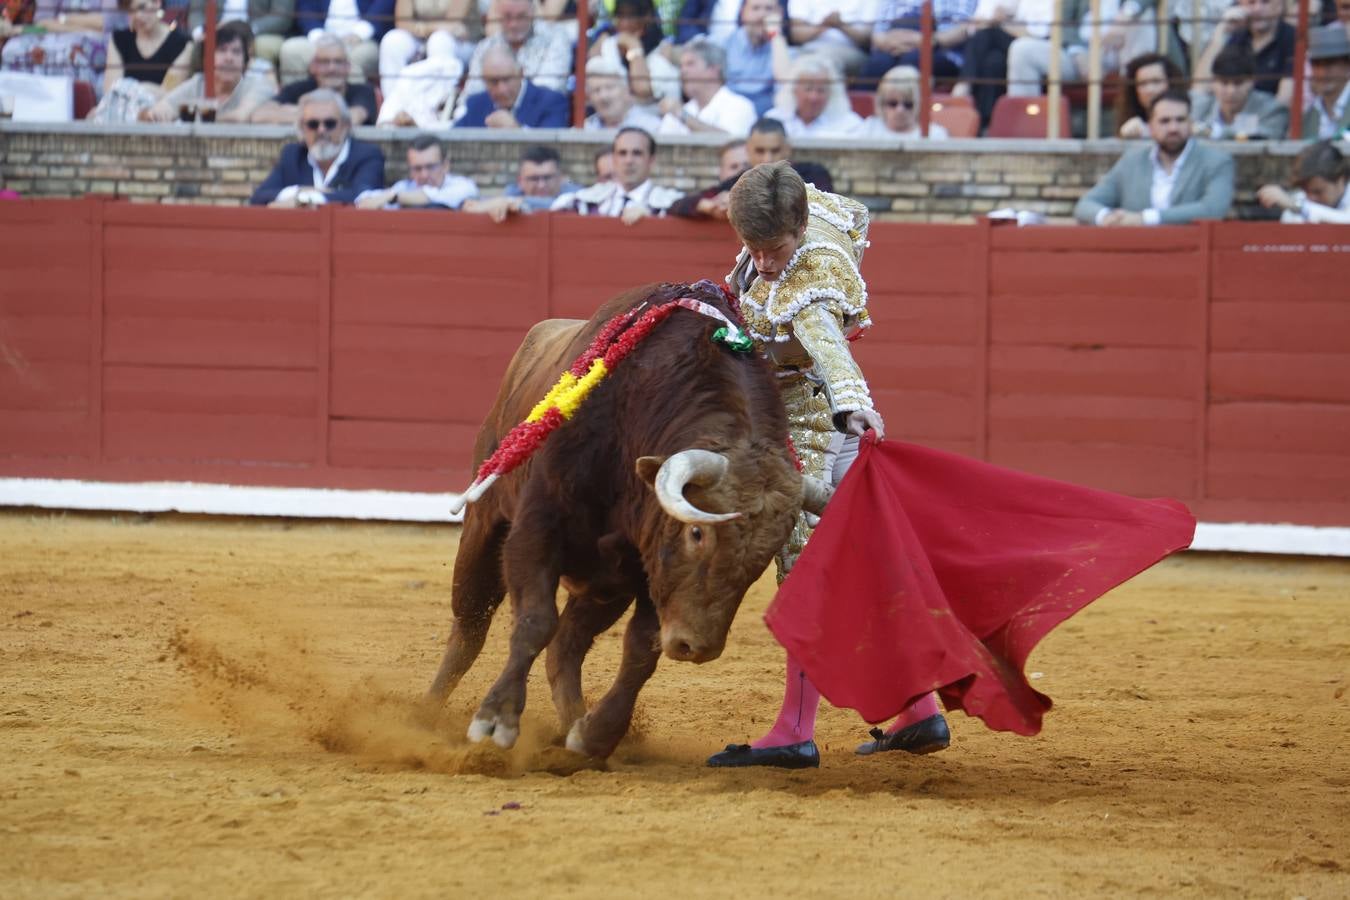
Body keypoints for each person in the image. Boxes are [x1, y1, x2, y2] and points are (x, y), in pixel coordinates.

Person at [705, 161, 950, 769]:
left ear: (800, 228)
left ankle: (794, 729)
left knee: (804, 567)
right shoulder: (792, 207)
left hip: (812, 429)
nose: (764, 262)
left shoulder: (811, 271)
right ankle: (918, 709)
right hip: (796, 416)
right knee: (852, 567)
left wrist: (853, 407)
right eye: (753, 249)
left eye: (775, 249)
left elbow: (829, 348)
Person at [1074, 90, 1234, 226]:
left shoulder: (1216, 162)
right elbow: (1085, 205)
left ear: (1190, 123)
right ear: (1150, 127)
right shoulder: (1131, 162)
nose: (1173, 128)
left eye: (1180, 120)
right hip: (1137, 254)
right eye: (1165, 121)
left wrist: (1145, 218)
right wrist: (1107, 217)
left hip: (1193, 255)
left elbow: (1212, 210)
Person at [249, 88, 386, 206]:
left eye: (330, 123)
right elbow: (259, 197)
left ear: (346, 126)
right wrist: (301, 192)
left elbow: (363, 197)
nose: (321, 130)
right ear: (302, 128)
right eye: (313, 124)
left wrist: (307, 199)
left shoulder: (367, 155)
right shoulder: (293, 155)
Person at [1005, 0, 1157, 99]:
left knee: (1144, 23)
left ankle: (1137, 110)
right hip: (1080, 50)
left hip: (1121, 49)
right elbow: (1064, 22)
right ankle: (1026, 126)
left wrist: (1126, 15)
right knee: (1022, 50)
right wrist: (1078, 53)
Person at [456, 0, 571, 117]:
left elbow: (550, 91)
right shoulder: (486, 46)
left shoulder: (555, 39)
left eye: (521, 16)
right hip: (490, 120)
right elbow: (472, 95)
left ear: (533, 12)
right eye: (507, 16)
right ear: (498, 15)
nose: (513, 24)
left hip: (537, 122)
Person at [143, 20, 273, 121]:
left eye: (236, 52)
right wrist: (155, 115)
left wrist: (192, 121)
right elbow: (161, 110)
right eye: (222, 50)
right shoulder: (198, 83)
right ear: (207, 59)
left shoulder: (257, 86)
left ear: (245, 62)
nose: (229, 58)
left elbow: (238, 118)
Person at [550, 126, 681, 222]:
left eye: (637, 153)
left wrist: (652, 220)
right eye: (622, 153)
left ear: (651, 160)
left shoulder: (671, 203)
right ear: (614, 159)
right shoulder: (587, 200)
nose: (629, 161)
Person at [89, 0, 192, 121]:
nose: (137, 15)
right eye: (131, 11)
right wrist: (148, 89)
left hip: (160, 121)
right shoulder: (119, 40)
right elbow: (111, 93)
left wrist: (127, 89)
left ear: (157, 3)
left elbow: (168, 95)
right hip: (122, 120)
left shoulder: (183, 44)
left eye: (142, 7)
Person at [251, 32, 378, 125]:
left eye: (338, 62)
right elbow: (259, 115)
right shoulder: (298, 88)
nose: (331, 68)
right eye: (324, 62)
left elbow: (355, 118)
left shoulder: (363, 91)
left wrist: (297, 111)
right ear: (313, 67)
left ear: (348, 67)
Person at [1, 0, 118, 97]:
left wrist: (64, 19)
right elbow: (42, 22)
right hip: (55, 36)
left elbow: (104, 22)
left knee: (74, 54)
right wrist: (82, 22)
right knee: (12, 50)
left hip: (97, 39)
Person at [1193, 0, 1295, 104]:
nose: (1257, 9)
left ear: (1279, 6)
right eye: (1251, 2)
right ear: (1240, 6)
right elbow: (1199, 90)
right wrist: (1221, 32)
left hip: (1267, 116)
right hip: (1228, 114)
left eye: (1265, 2)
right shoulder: (1236, 35)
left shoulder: (1292, 38)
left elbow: (1283, 102)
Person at [454, 38, 569, 127]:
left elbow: (552, 149)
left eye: (507, 79)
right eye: (493, 82)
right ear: (484, 81)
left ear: (521, 73)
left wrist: (517, 131)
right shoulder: (476, 105)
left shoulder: (551, 102)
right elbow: (451, 140)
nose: (502, 89)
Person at [657, 35, 757, 135]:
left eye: (690, 64)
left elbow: (731, 144)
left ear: (713, 70)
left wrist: (682, 116)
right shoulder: (680, 111)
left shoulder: (740, 106)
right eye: (681, 66)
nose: (683, 71)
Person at [278, 0, 393, 83]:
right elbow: (305, 6)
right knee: (291, 50)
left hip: (362, 39)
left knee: (353, 60)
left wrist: (359, 33)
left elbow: (383, 5)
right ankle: (298, 107)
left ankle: (347, 111)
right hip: (320, 36)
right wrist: (317, 35)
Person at [865, 0, 975, 85]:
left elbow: (965, 28)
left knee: (911, 64)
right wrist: (888, 42)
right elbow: (878, 32)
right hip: (892, 46)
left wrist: (927, 40)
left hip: (942, 51)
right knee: (877, 64)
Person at [462, 143, 582, 220]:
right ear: (520, 181)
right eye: (533, 179)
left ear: (560, 177)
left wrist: (514, 202)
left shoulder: (574, 193)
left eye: (547, 177)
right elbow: (473, 205)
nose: (541, 185)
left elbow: (558, 205)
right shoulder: (513, 192)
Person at [1191, 44, 1288, 139]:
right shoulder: (1200, 107)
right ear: (1213, 82)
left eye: (1238, 83)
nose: (1231, 91)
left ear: (1252, 82)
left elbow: (1269, 135)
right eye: (1224, 83)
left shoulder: (1272, 110)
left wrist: (1216, 132)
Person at [356, 133, 478, 208]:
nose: (424, 175)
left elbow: (434, 197)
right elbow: (363, 199)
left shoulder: (463, 186)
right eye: (417, 168)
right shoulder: (404, 188)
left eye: (431, 167)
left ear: (445, 165)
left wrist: (394, 198)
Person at [712, 0, 790, 115]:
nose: (762, 15)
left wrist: (775, 35)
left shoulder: (781, 48)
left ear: (780, 14)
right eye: (755, 8)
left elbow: (785, 78)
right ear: (743, 13)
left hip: (766, 118)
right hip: (728, 114)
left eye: (769, 9)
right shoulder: (724, 43)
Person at [379, 0, 476, 91]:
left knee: (439, 40)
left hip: (462, 43)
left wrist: (420, 28)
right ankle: (393, 104)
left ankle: (440, 104)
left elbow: (452, 23)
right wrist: (425, 29)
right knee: (392, 40)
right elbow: (402, 21)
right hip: (421, 36)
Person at [765, 53, 863, 138]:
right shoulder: (773, 119)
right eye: (808, 89)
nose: (813, 97)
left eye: (821, 90)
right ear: (794, 89)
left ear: (831, 93)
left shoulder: (851, 125)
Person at [187, 0, 293, 75]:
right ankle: (194, 97)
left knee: (262, 46)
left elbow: (282, 16)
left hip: (259, 31)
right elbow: (196, 11)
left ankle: (255, 93)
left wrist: (249, 29)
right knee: (191, 48)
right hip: (216, 30)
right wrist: (202, 31)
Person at [1257, 139, 1350, 223]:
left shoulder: (1296, 205)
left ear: (1340, 180)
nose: (1311, 198)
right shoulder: (1299, 201)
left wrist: (1298, 208)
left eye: (1318, 192)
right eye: (1306, 190)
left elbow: (1346, 221)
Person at [854, 64, 950, 138]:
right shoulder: (869, 129)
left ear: (919, 104)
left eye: (908, 104)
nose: (900, 110)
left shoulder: (935, 135)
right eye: (892, 103)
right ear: (881, 103)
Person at [667, 138, 750, 218]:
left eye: (746, 166)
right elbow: (676, 206)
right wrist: (706, 206)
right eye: (734, 167)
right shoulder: (716, 193)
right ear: (721, 171)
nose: (740, 172)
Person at [786, 0, 874, 76]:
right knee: (784, 58)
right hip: (807, 49)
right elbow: (796, 35)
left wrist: (841, 25)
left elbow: (868, 39)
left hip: (851, 51)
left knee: (822, 61)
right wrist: (823, 26)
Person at [581, 54, 663, 131]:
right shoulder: (585, 128)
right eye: (596, 90)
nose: (603, 96)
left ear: (626, 91)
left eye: (609, 88)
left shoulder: (652, 127)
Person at [1114, 51, 1184, 138]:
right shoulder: (1131, 124)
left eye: (1156, 81)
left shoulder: (1189, 115)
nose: (1150, 90)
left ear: (1170, 84)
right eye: (1143, 83)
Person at [1302, 22, 1350, 140]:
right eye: (1316, 65)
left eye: (1330, 64)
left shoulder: (1309, 116)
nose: (1322, 73)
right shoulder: (1308, 117)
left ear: (1347, 66)